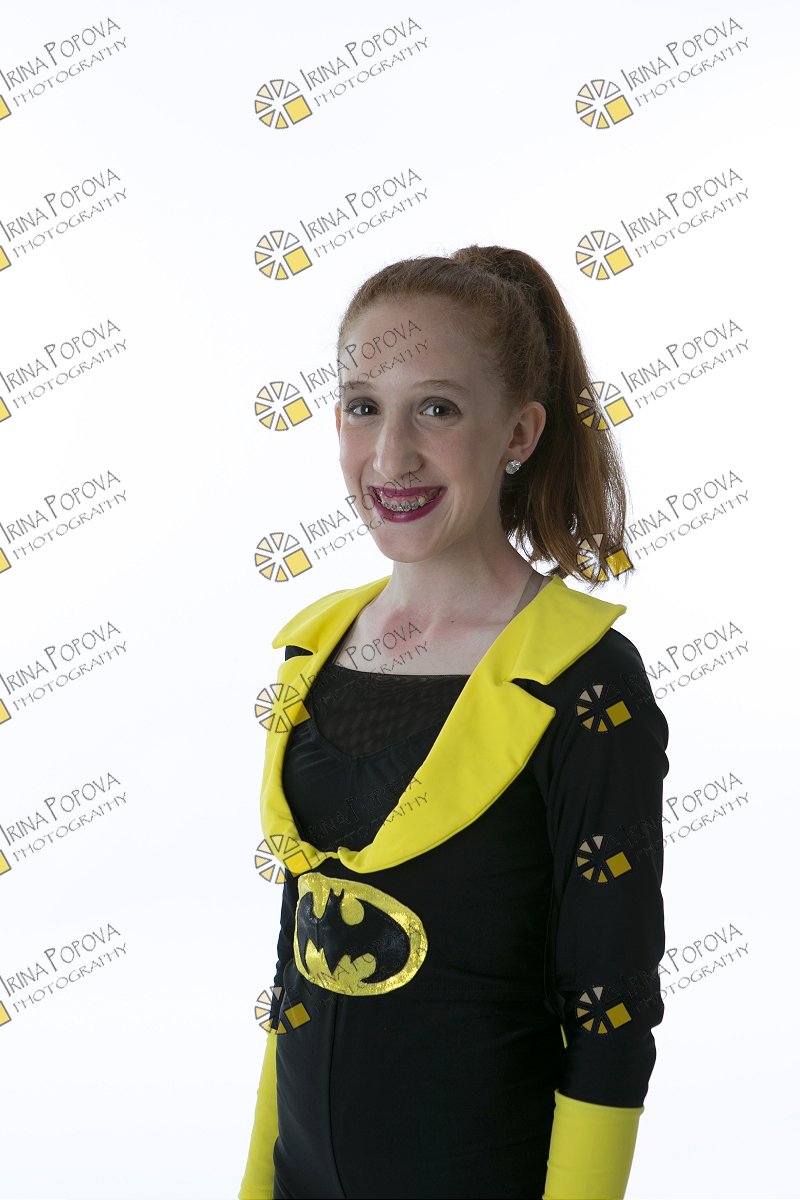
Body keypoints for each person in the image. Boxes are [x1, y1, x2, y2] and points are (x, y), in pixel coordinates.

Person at [238, 245, 669, 1199]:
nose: (391, 456)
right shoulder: (313, 652)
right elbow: (301, 964)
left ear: (519, 431)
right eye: (363, 407)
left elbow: (610, 1009)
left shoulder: (583, 681)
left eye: (436, 409)